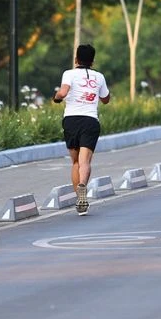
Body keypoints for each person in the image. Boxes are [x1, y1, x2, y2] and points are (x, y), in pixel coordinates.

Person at [52, 44, 110, 216]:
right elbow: (106, 99)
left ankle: (79, 197)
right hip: (90, 121)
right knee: (85, 162)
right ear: (93, 60)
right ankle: (83, 187)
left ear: (76, 59)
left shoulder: (68, 74)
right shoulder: (99, 77)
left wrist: (56, 98)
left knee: (76, 163)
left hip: (71, 120)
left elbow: (62, 92)